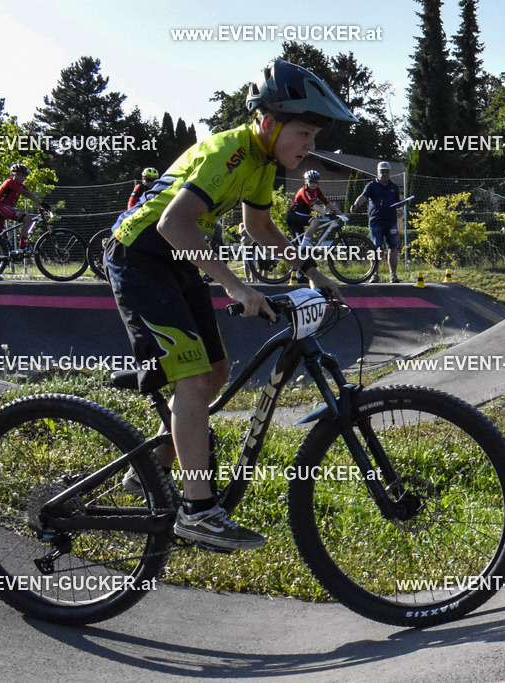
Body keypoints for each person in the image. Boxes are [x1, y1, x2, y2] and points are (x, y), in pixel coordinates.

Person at [105, 59, 355, 550]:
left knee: (215, 373)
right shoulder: (230, 151)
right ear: (267, 121)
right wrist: (236, 286)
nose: (310, 148)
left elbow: (260, 228)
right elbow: (173, 225)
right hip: (140, 256)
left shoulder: (262, 163)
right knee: (194, 379)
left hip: (177, 261)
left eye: (312, 137)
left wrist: (312, 273)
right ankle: (198, 513)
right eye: (303, 134)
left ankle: (147, 473)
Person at [351, 161, 400, 282]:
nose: (384, 174)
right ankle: (374, 274)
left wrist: (401, 207)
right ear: (377, 172)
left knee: (392, 247)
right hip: (376, 221)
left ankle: (393, 275)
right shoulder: (371, 185)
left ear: (390, 173)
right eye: (382, 172)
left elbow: (397, 202)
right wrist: (356, 205)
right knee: (375, 247)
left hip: (391, 221)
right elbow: (363, 196)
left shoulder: (394, 187)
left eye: (386, 172)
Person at [0, 163, 49, 249]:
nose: (21, 177)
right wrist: (42, 203)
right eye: (18, 175)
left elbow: (31, 194)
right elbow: (26, 194)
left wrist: (39, 205)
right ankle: (22, 247)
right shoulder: (10, 182)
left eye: (23, 176)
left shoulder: (21, 185)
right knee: (27, 219)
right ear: (12, 175)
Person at [285, 170, 344, 250]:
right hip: (294, 215)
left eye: (315, 182)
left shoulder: (317, 190)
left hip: (302, 215)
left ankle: (302, 249)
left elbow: (327, 202)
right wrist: (326, 213)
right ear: (306, 181)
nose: (313, 184)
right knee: (315, 222)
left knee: (301, 247)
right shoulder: (304, 191)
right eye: (311, 182)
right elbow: (313, 206)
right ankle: (302, 248)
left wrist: (341, 214)